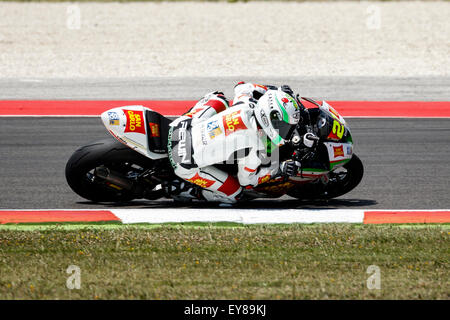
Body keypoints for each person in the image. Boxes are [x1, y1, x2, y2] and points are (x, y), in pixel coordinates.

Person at [166, 82, 319, 204]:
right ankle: (188, 190)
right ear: (269, 119)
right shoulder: (257, 145)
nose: (289, 131)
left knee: (218, 97)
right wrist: (280, 168)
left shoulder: (246, 104)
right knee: (235, 194)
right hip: (184, 161)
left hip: (182, 126)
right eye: (286, 127)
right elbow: (247, 180)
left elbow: (242, 86)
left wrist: (274, 91)